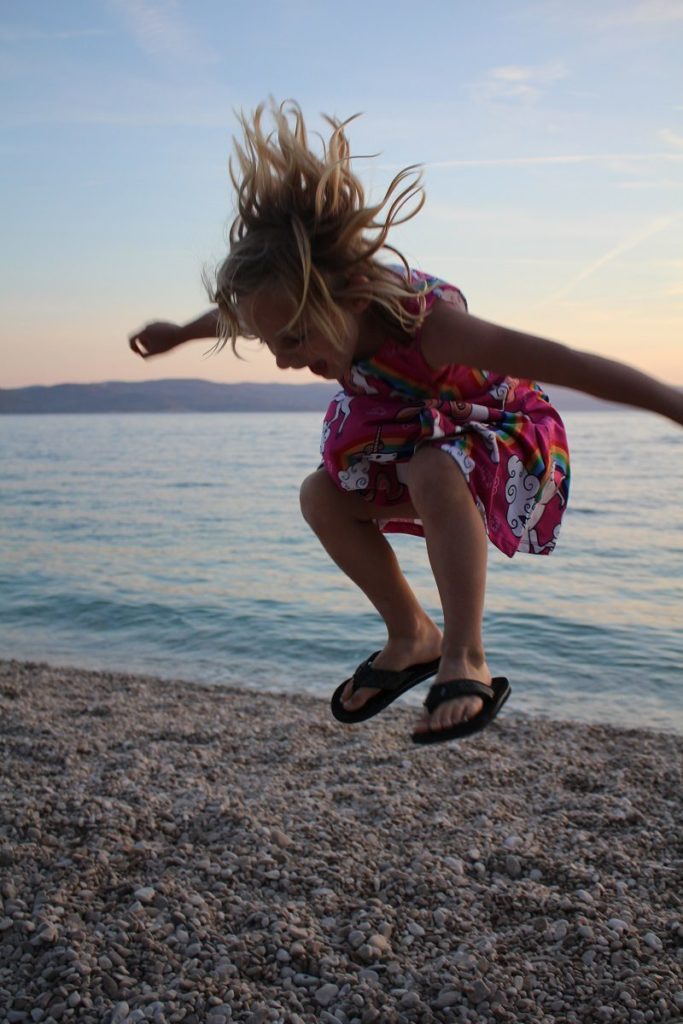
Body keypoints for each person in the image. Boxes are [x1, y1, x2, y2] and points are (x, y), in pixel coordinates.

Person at [129, 100, 683, 745]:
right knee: (320, 498)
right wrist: (178, 334)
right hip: (411, 431)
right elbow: (239, 317)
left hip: (503, 436)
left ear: (353, 298)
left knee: (433, 464)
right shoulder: (299, 306)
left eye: (297, 338)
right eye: (272, 342)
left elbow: (565, 362)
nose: (282, 359)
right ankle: (413, 634)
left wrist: (671, 404)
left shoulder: (433, 329)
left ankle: (466, 655)